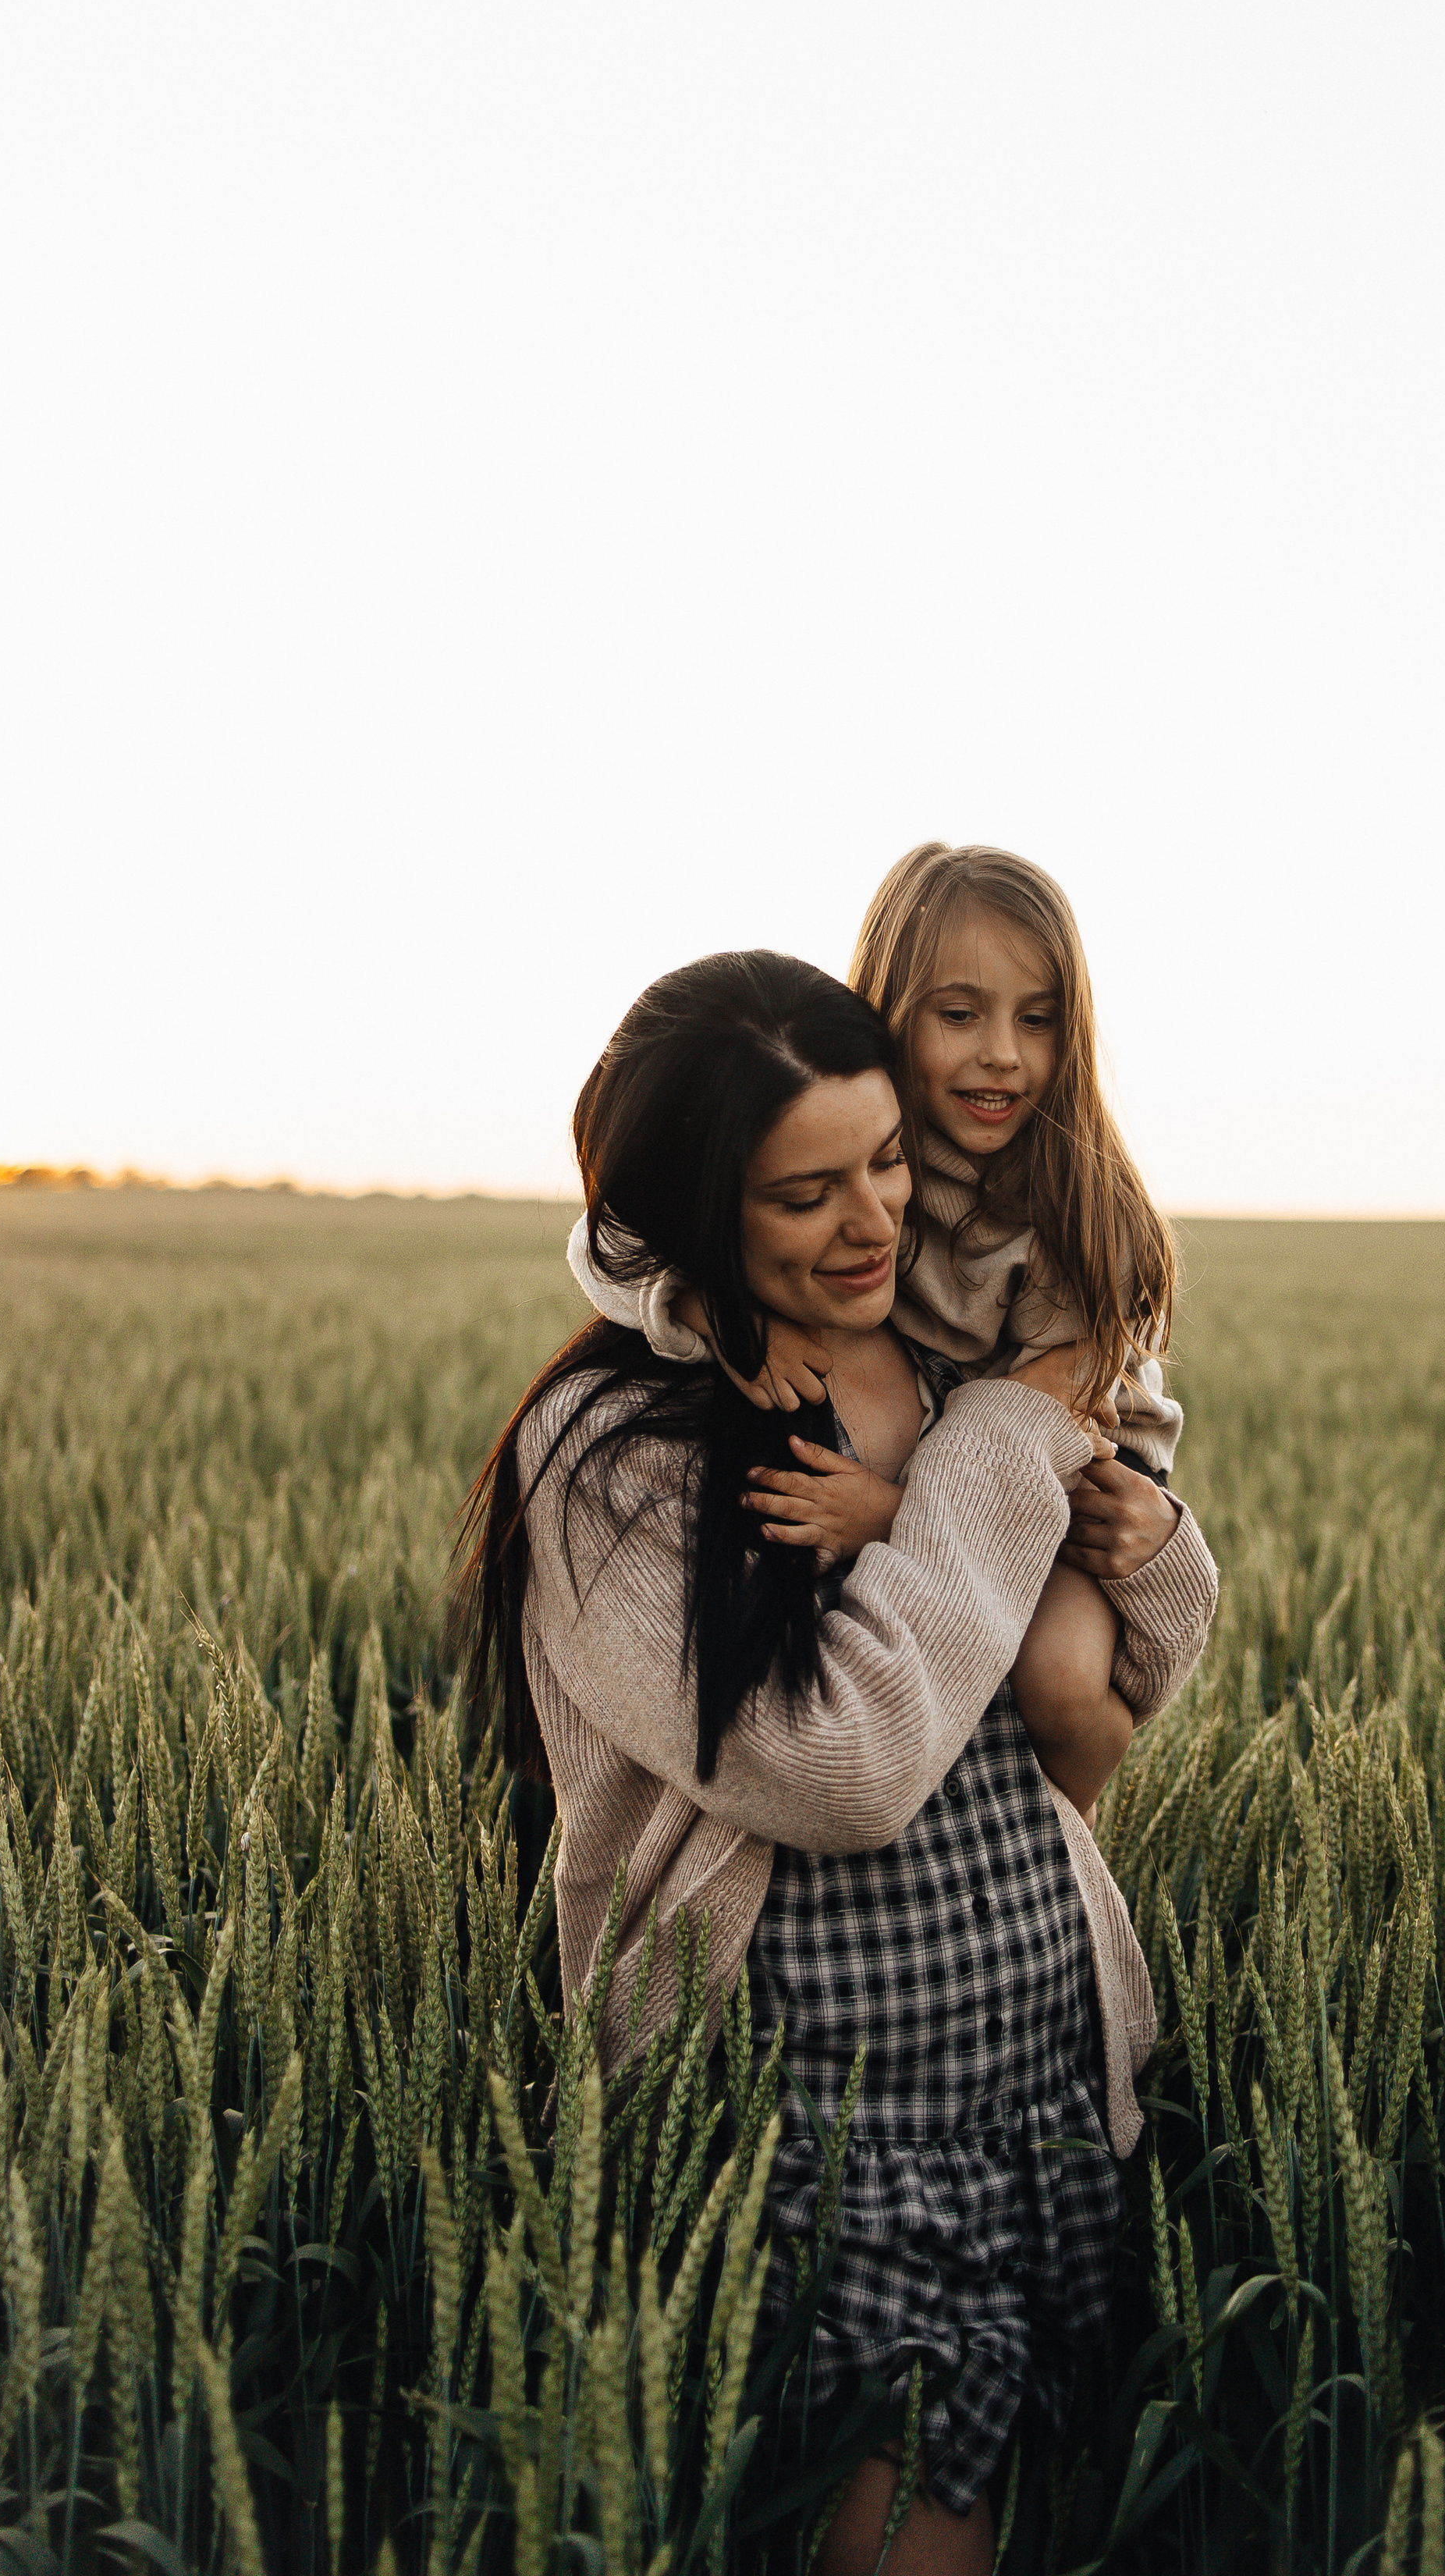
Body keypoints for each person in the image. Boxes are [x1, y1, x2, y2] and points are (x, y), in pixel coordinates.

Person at [450, 950, 1217, 2576]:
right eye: (807, 1192)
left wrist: (1150, 1546)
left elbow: (1137, 1660)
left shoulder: (939, 1354)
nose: (875, 1219)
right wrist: (1007, 1446)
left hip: (1045, 2098)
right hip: (812, 2144)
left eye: (887, 1160)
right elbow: (840, 1766)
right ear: (688, 1215)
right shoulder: (611, 1459)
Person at [569, 844, 1181, 1817]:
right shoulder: (839, 1120)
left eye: (1038, 1019)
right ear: (888, 1012)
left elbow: (1041, 1448)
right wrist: (699, 1309)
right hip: (973, 1467)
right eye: (958, 1014)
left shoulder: (1071, 1208)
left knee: (1059, 1681)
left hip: (1080, 1484)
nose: (1001, 1054)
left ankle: (1071, 1841)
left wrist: (895, 1514)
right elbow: (607, 1246)